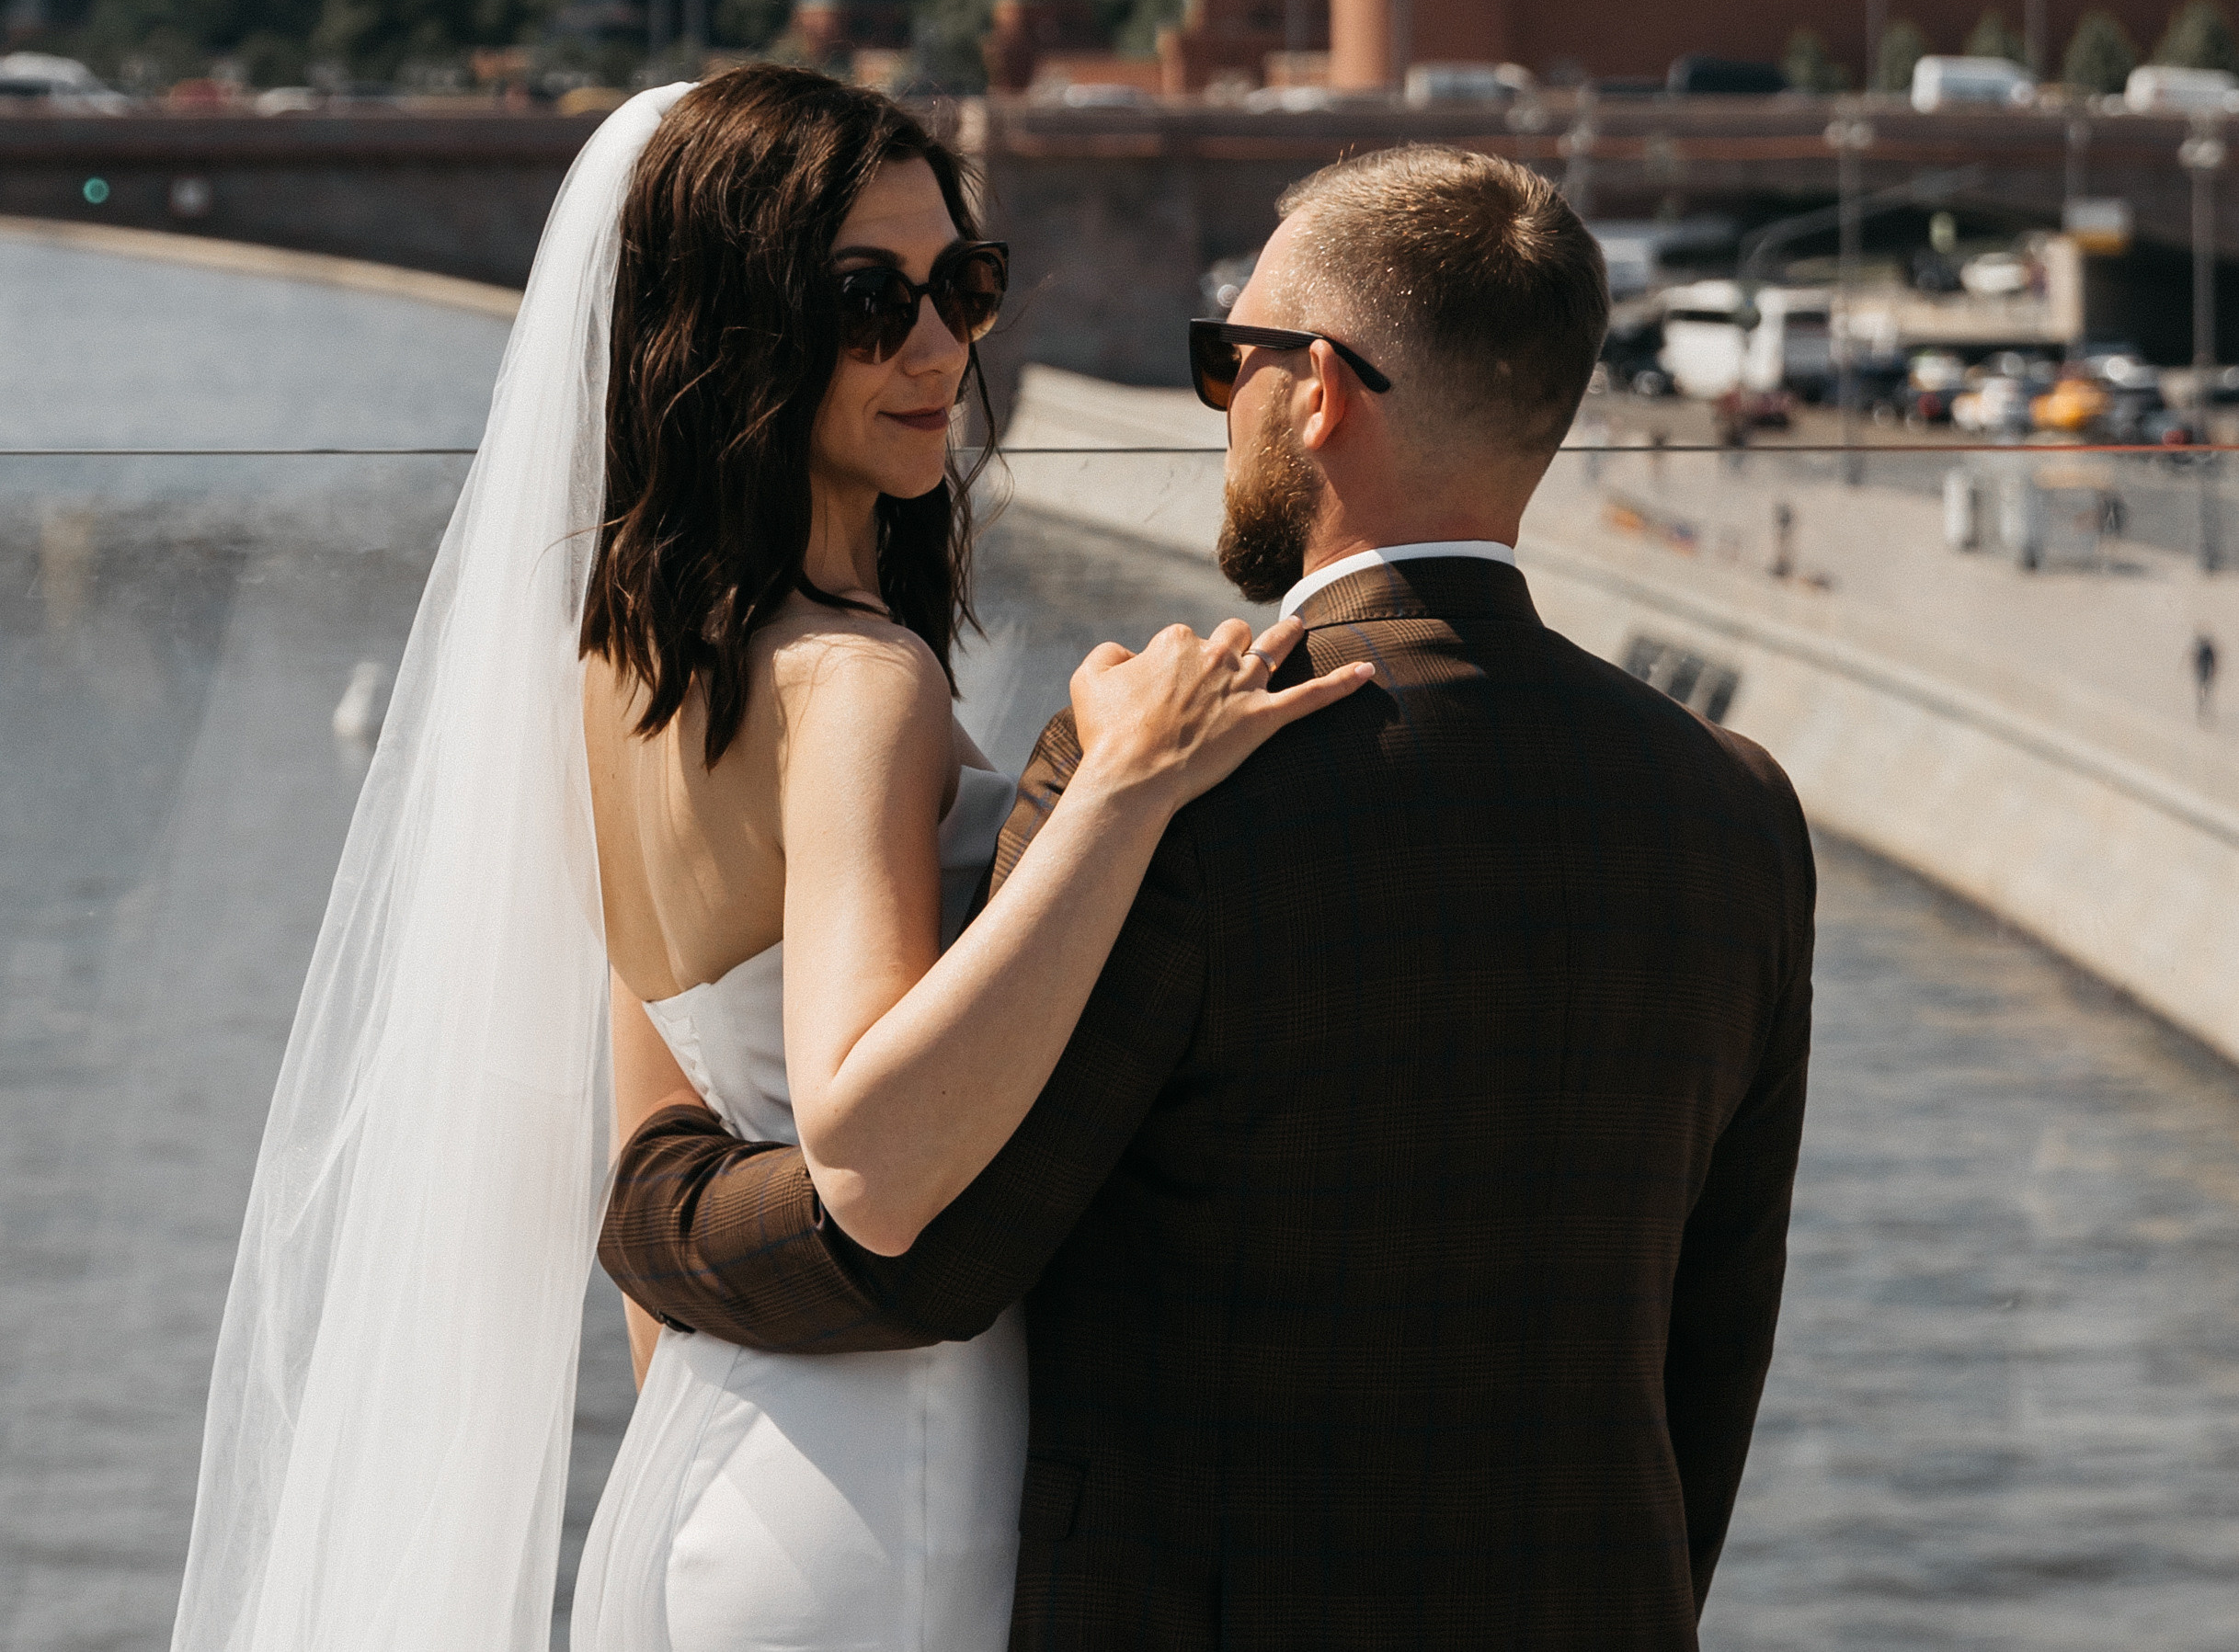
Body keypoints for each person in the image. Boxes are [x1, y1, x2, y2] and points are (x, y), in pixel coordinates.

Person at [170, 69, 1368, 1652]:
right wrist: (1124, 794)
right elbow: (866, 1149)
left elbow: (652, 1145)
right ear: (732, 326)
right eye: (869, 298)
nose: (939, 346)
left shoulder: (612, 662)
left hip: (700, 1466)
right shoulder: (857, 686)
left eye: (964, 284)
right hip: (892, 1481)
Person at [603, 144, 1818, 1648]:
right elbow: (1717, 1351)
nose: (1218, 403)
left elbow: (929, 1248)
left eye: (1226, 358)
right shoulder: (1739, 811)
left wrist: (651, 1194)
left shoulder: (1170, 771)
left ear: (1316, 391)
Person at [2194, 628, 2219, 725]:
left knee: (2203, 689)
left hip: (2204, 672)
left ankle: (2203, 707)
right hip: (2205, 672)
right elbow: (2213, 662)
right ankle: (2203, 707)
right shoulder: (2207, 650)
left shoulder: (2203, 650)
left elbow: (2198, 661)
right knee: (2204, 690)